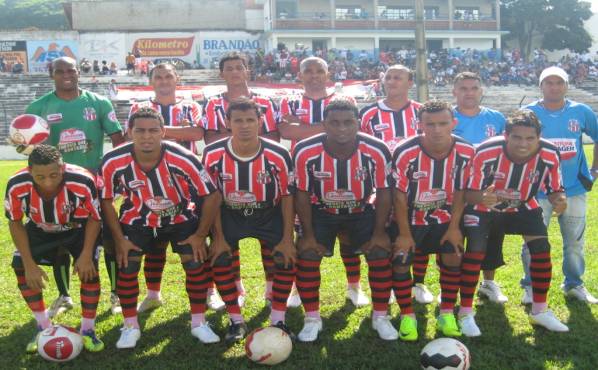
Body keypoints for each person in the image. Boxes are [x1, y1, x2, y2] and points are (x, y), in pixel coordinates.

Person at [100, 108, 239, 348]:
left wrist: (199, 235)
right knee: (127, 263)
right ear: (129, 133)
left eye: (153, 130)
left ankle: (198, 322)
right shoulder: (113, 160)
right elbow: (105, 199)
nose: (146, 136)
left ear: (163, 132)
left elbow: (212, 195)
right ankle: (130, 326)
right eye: (140, 131)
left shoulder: (182, 156)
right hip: (137, 220)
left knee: (195, 263)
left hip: (180, 217)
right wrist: (119, 239)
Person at [25, 56, 125, 317]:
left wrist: (116, 174)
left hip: (93, 183)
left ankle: (115, 293)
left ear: (79, 72)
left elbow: (117, 138)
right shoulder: (39, 106)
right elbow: (26, 145)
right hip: (56, 186)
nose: (66, 75)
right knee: (59, 237)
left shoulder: (99, 103)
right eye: (60, 71)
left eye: (71, 70)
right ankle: (64, 295)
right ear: (52, 74)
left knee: (109, 239)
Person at [458, 110, 569, 336]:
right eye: (517, 137)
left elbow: (555, 189)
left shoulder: (549, 153)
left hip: (523, 205)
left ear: (538, 138)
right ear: (506, 135)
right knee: (476, 252)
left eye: (530, 138)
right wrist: (482, 197)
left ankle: (539, 311)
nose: (523, 144)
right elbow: (468, 193)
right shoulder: (487, 150)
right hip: (484, 207)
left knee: (541, 250)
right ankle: (465, 313)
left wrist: (559, 200)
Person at [293, 99, 395, 341]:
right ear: (323, 124)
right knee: (307, 254)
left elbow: (384, 191)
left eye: (348, 122)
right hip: (321, 211)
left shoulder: (376, 148)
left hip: (361, 210)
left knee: (379, 252)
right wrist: (307, 234)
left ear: (358, 123)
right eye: (334, 122)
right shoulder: (304, 150)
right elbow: (302, 193)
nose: (341, 128)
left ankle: (380, 316)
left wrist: (380, 232)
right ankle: (312, 318)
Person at [278, 56, 367, 308]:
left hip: (342, 172)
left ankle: (354, 286)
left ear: (327, 75)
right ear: (300, 75)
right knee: (303, 233)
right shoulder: (289, 100)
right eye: (309, 71)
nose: (314, 75)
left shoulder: (345, 100)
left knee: (348, 236)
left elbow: (348, 130)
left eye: (320, 71)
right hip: (305, 175)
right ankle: (297, 288)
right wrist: (325, 127)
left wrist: (304, 126)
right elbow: (287, 132)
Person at [127, 62, 215, 313]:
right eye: (158, 77)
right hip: (150, 183)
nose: (164, 81)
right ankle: (153, 293)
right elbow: (132, 136)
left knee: (201, 240)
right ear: (151, 81)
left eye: (168, 76)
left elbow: (197, 133)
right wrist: (175, 133)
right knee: (154, 242)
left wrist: (157, 132)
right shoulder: (138, 107)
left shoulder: (191, 105)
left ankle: (209, 291)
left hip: (188, 184)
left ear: (177, 79)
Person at [203, 97, 295, 336]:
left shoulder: (278, 153)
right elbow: (211, 198)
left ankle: (278, 319)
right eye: (238, 120)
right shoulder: (212, 154)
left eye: (250, 120)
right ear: (227, 122)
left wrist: (287, 237)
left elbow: (287, 196)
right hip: (230, 213)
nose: (244, 125)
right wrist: (218, 237)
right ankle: (236, 319)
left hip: (268, 212)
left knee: (285, 258)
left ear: (260, 122)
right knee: (220, 257)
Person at [5, 145, 104, 353]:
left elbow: (95, 219)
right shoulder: (16, 184)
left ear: (63, 167)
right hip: (40, 228)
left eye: (54, 175)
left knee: (89, 271)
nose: (48, 182)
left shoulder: (82, 180)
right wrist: (30, 264)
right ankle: (43, 326)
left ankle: (88, 329)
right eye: (40, 177)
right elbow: (15, 222)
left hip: (78, 227)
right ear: (30, 171)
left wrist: (86, 255)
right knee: (21, 266)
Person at [202, 51, 281, 306]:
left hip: (262, 176)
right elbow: (210, 139)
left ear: (248, 71)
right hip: (227, 177)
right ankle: (235, 287)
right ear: (221, 73)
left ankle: (271, 290)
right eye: (230, 68)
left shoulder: (267, 102)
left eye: (240, 67)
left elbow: (274, 138)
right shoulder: (213, 103)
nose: (235, 72)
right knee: (225, 234)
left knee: (269, 238)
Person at [391, 100, 474, 340]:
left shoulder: (466, 151)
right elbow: (398, 196)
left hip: (445, 216)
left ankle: (447, 311)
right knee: (400, 260)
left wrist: (455, 227)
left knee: (453, 255)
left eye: (443, 123)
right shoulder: (405, 151)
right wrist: (404, 234)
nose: (437, 129)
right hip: (411, 216)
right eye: (430, 124)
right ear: (420, 125)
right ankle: (407, 315)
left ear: (453, 123)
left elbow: (461, 191)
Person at [520, 66, 598, 304]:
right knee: (532, 241)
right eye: (549, 83)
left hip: (573, 188)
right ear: (541, 85)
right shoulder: (528, 112)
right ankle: (530, 285)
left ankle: (574, 283)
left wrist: (594, 170)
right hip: (537, 190)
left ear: (566, 85)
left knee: (574, 240)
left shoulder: (581, 111)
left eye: (558, 83)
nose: (554, 87)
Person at [360, 64, 430, 305]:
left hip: (417, 184)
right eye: (388, 77)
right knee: (384, 233)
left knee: (415, 233)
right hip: (378, 186)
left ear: (410, 83)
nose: (391, 81)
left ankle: (418, 283)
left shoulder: (422, 112)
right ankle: (388, 284)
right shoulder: (369, 113)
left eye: (398, 77)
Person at [451, 71, 508, 304]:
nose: (469, 93)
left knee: (491, 238)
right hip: (454, 191)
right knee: (453, 239)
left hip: (487, 192)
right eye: (463, 88)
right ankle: (452, 285)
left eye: (474, 88)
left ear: (481, 91)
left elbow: (507, 153)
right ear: (454, 92)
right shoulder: (447, 117)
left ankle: (488, 283)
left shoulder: (497, 118)